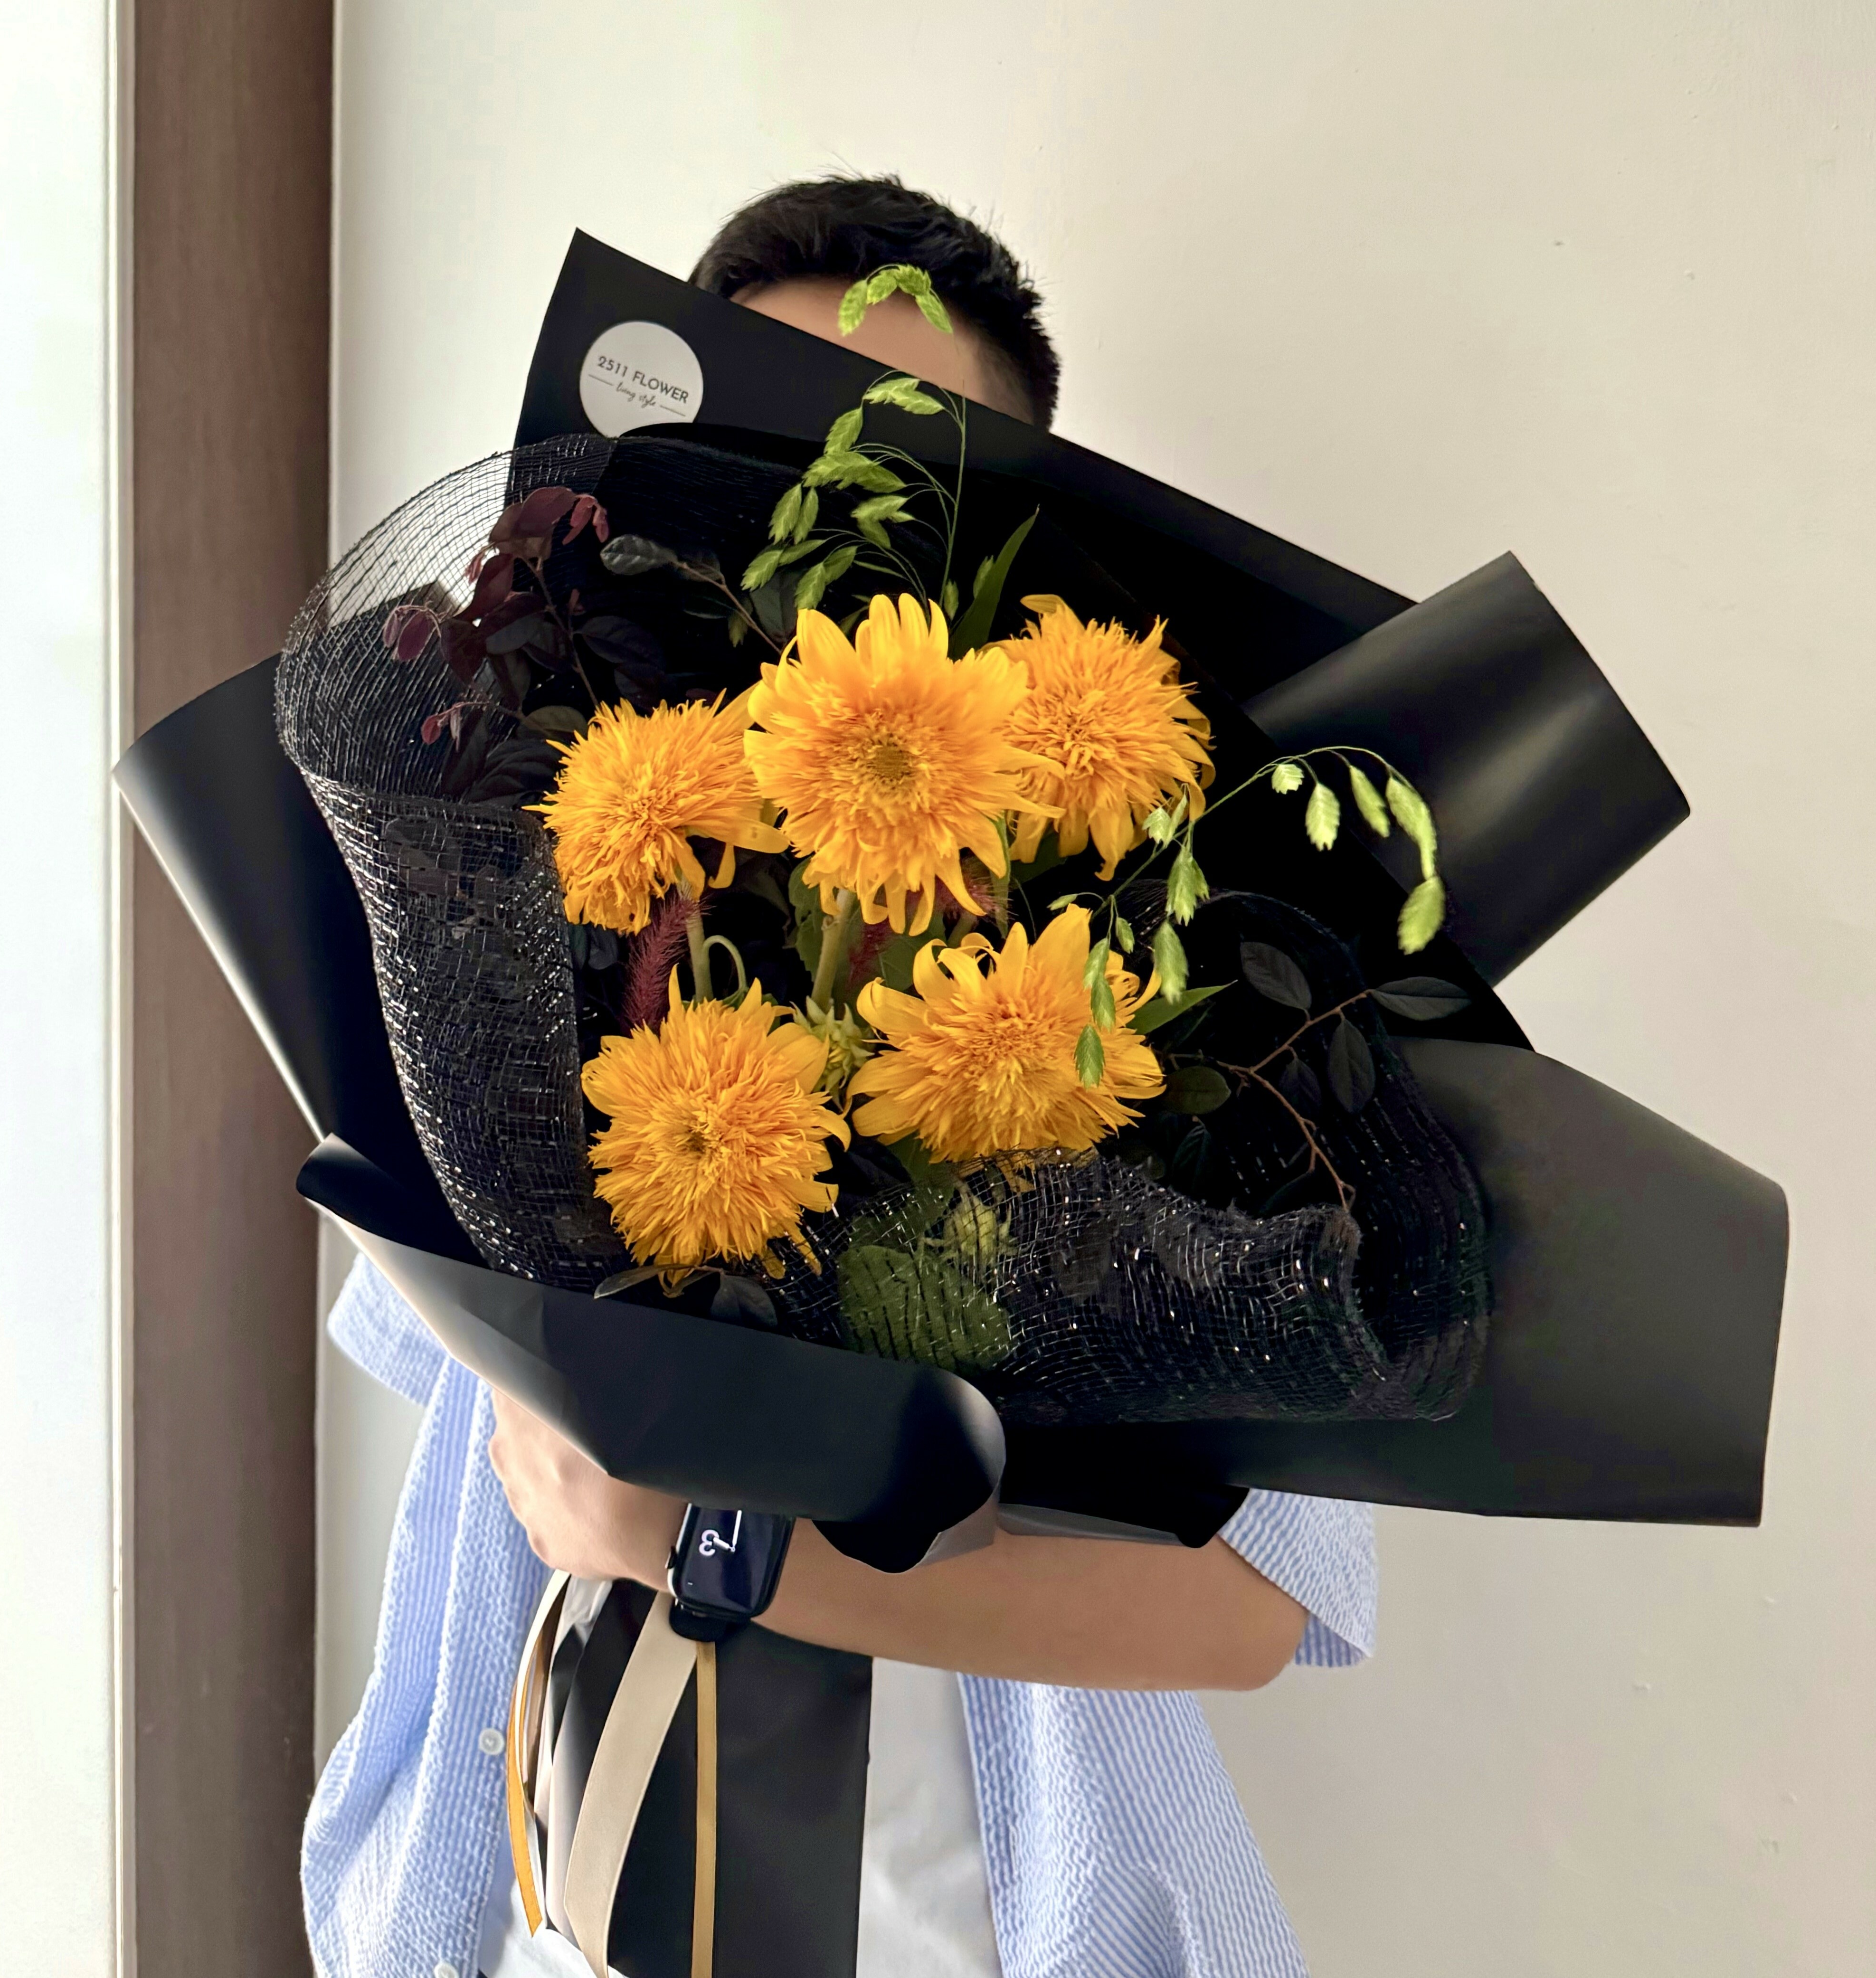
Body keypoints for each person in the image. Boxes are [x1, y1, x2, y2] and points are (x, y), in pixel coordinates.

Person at [301, 176, 1375, 1978]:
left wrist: (727, 1553)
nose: (824, 509)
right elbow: (480, 1479)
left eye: (903, 458)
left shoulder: (1157, 980)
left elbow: (1259, 1608)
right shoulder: (531, 911)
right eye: (771, 442)